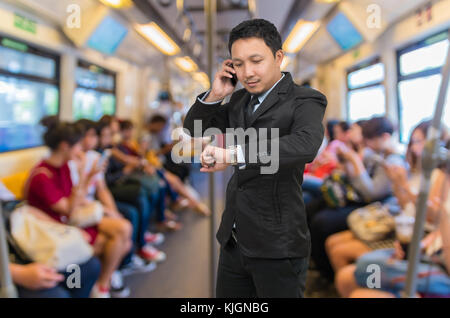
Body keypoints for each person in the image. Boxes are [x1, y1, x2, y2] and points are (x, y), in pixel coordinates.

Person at [183, 19, 327, 297]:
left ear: (278, 57)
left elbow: (304, 145)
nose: (247, 72)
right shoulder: (238, 102)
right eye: (238, 63)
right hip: (234, 239)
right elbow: (195, 129)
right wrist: (216, 94)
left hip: (278, 244)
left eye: (256, 60)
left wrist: (235, 154)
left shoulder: (305, 100)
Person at [25, 117, 133, 298]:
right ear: (65, 146)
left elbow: (74, 203)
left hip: (67, 221)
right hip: (56, 228)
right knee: (120, 240)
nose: (80, 150)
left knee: (123, 234)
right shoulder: (42, 176)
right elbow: (68, 209)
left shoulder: (63, 167)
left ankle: (100, 285)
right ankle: (99, 285)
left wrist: (88, 175)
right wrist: (84, 174)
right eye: (76, 146)